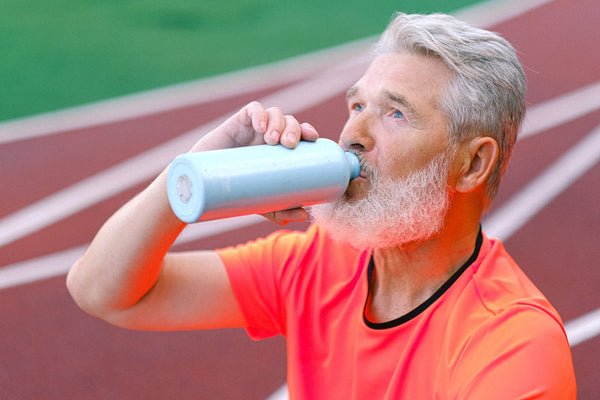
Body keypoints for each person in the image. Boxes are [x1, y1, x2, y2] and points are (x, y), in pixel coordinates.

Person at [67, 12, 577, 399]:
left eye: (396, 114)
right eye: (357, 106)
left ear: (470, 166)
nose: (352, 135)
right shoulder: (319, 262)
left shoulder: (513, 345)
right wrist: (192, 171)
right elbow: (106, 293)